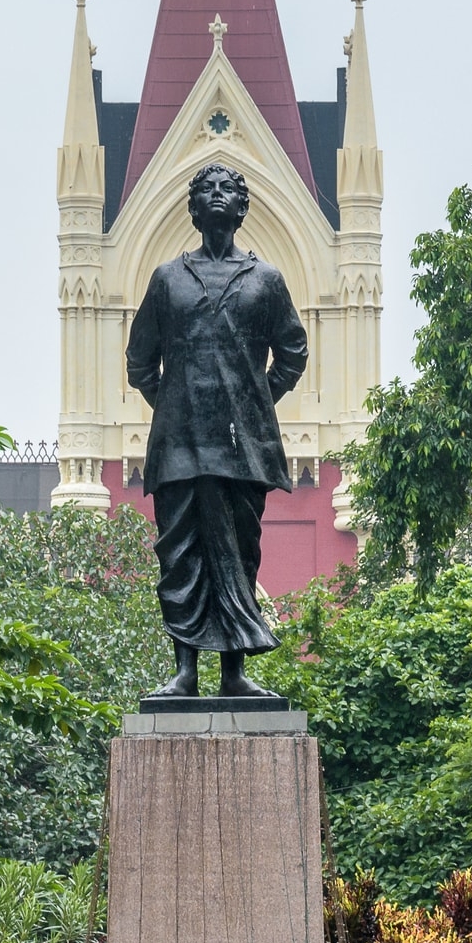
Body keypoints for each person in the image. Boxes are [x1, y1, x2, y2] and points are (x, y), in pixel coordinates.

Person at [126, 162, 308, 698]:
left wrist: (250, 408)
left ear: (243, 206)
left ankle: (234, 676)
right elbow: (140, 363)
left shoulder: (266, 281)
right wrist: (182, 409)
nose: (217, 195)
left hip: (241, 452)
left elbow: (292, 355)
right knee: (182, 554)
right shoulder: (167, 280)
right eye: (206, 188)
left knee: (239, 552)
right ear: (193, 208)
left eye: (228, 188)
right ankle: (185, 673)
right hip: (179, 451)